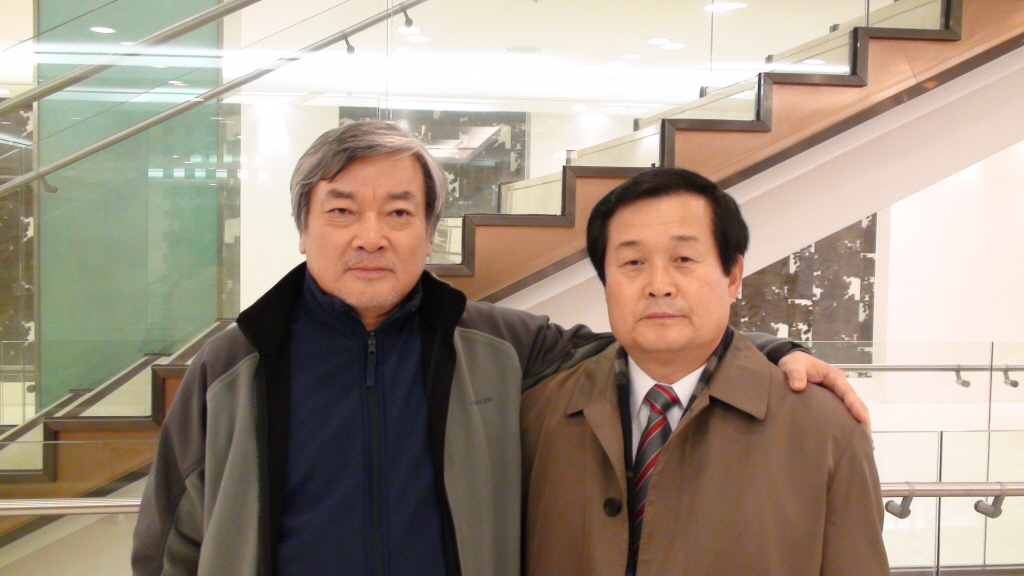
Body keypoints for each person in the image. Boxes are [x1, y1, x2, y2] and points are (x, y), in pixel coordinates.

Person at [132, 122, 868, 576]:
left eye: (399, 213)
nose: (371, 237)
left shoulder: (496, 345)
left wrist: (773, 351)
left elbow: (647, 338)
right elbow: (169, 545)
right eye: (342, 211)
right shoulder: (234, 365)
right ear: (303, 229)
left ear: (429, 232)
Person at [521, 168, 888, 576]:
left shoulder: (826, 429)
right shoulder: (536, 418)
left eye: (683, 259)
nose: (659, 285)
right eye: (633, 262)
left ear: (733, 277)